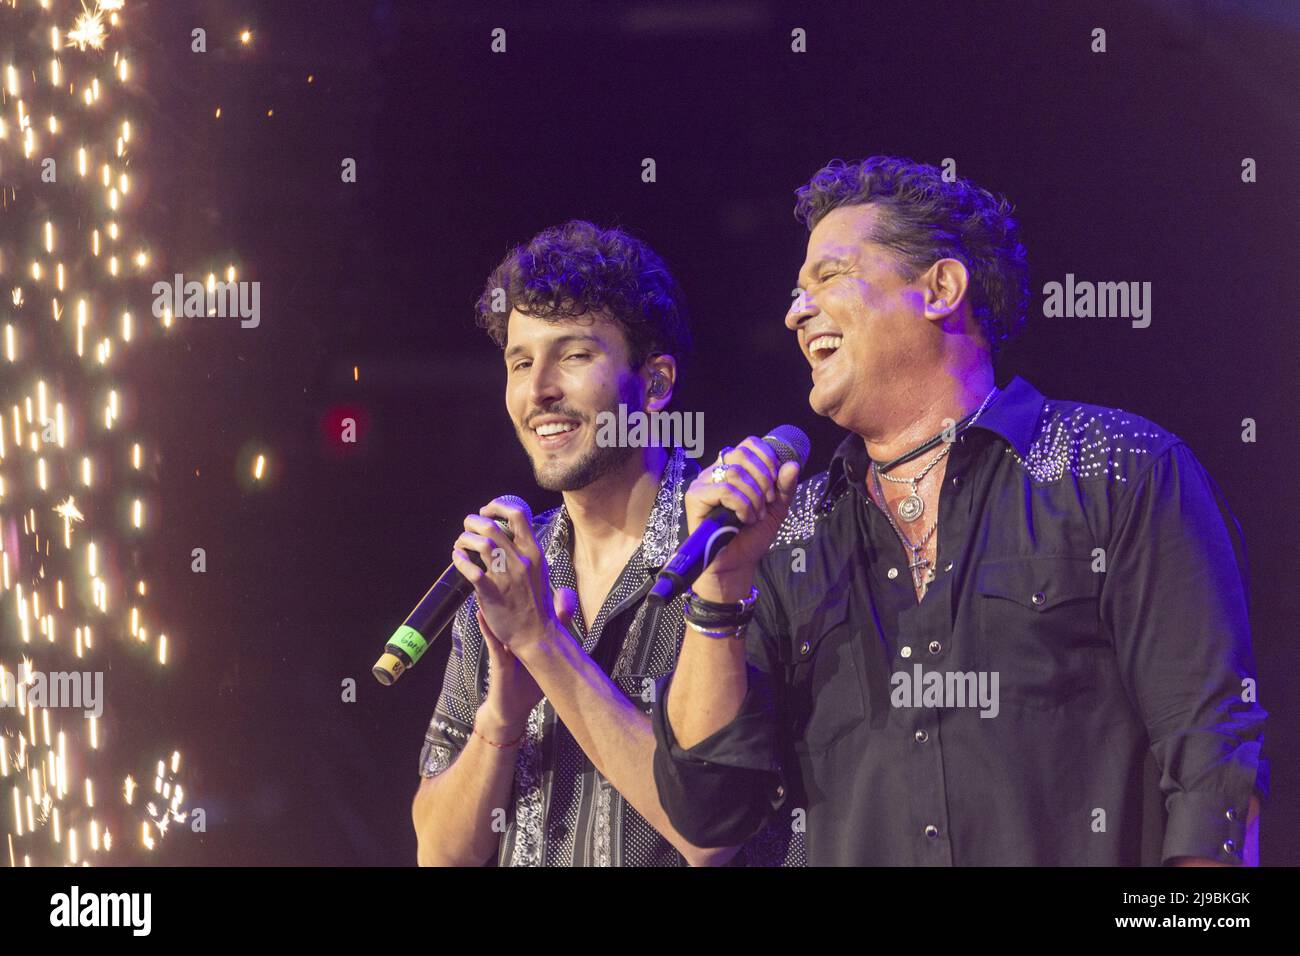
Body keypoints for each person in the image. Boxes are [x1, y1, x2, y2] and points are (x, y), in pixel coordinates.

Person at [652, 156, 1268, 865]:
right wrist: (720, 591)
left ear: (941, 287)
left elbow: (1212, 764)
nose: (795, 312)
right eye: (796, 291)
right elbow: (709, 815)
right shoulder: (791, 532)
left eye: (827, 277)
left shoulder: (1118, 468)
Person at [412, 220, 760, 865]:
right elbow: (440, 854)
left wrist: (543, 643)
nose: (538, 387)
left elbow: (708, 836)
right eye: (520, 362)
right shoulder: (509, 574)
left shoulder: (743, 545)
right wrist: (501, 717)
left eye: (573, 355)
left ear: (654, 385)